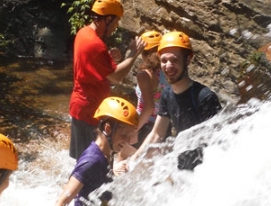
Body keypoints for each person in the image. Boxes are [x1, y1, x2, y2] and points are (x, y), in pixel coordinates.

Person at [45, 96, 139, 206]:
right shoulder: (91, 161)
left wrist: (115, 170)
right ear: (108, 128)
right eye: (123, 134)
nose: (127, 140)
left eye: (130, 134)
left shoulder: (107, 152)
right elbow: (63, 199)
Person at [132, 31, 222, 170]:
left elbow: (218, 142)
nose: (168, 66)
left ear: (187, 60)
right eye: (164, 61)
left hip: (204, 170)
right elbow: (157, 134)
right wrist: (134, 160)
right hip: (182, 167)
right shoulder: (167, 94)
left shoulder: (205, 97)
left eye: (174, 60)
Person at [69, 0, 145, 160]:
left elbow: (90, 61)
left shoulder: (83, 33)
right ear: (107, 19)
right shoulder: (96, 44)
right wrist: (133, 53)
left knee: (84, 159)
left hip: (81, 106)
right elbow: (116, 77)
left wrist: (108, 58)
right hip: (90, 110)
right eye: (116, 21)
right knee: (91, 160)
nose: (116, 26)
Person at [118, 30, 168, 161]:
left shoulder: (145, 75)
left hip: (145, 125)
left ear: (143, 53)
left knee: (122, 156)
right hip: (163, 124)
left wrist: (134, 130)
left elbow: (149, 107)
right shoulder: (169, 70)